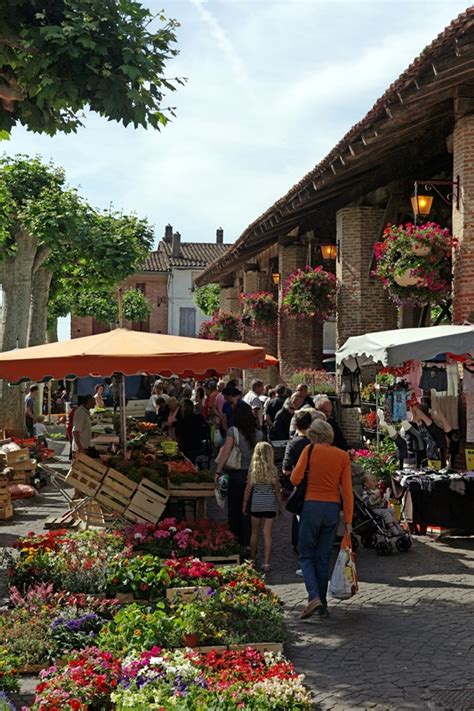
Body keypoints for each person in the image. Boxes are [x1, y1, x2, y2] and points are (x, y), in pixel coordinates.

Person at [291, 419, 353, 620]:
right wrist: (348, 521)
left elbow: (295, 478)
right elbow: (347, 491)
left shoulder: (309, 451)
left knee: (306, 554)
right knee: (323, 556)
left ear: (314, 436)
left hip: (311, 506)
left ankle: (314, 597)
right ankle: (322, 605)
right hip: (332, 509)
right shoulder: (342, 456)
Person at [214, 402, 262, 548]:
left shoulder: (233, 431)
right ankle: (247, 542)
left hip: (235, 474)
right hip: (252, 474)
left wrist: (217, 471)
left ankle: (234, 540)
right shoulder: (259, 433)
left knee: (234, 508)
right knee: (247, 509)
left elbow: (226, 452)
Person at [243, 441, 283, 571]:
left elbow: (248, 488)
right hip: (269, 503)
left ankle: (253, 559)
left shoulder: (253, 469)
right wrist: (280, 505)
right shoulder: (273, 469)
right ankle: (266, 562)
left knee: (254, 532)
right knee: (267, 534)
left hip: (257, 503)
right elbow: (277, 490)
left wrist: (244, 504)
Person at [282, 410, 313, 551]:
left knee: (298, 513)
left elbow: (286, 469)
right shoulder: (314, 444)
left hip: (300, 484)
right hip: (315, 484)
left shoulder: (293, 444)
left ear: (296, 424)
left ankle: (298, 541)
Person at [175, 398, 210, 463]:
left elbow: (177, 432)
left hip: (186, 446)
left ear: (184, 408)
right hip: (198, 445)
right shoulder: (199, 417)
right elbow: (207, 429)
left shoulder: (183, 420)